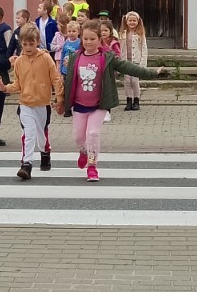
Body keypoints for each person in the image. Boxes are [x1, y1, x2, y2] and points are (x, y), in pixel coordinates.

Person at [57, 20, 164, 183]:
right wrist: (61, 101)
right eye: (85, 39)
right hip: (79, 105)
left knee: (93, 134)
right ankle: (83, 151)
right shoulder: (74, 58)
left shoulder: (107, 58)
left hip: (99, 105)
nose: (88, 42)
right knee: (79, 137)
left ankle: (92, 166)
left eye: (92, 39)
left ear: (100, 39)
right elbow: (68, 81)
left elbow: (129, 68)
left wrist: (153, 73)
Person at [0, 23, 61, 180]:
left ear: (38, 42)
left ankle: (45, 151)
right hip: (25, 104)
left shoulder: (46, 59)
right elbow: (17, 85)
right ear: (20, 43)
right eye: (25, 44)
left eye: (31, 43)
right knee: (29, 133)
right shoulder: (19, 62)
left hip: (42, 103)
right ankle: (26, 164)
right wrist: (4, 87)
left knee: (41, 135)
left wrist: (60, 98)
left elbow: (55, 79)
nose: (28, 47)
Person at [120, 11, 147, 110]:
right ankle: (128, 100)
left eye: (134, 21)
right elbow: (120, 48)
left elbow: (144, 48)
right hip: (126, 61)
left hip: (136, 61)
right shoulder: (122, 34)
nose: (132, 22)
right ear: (126, 21)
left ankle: (136, 101)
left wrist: (143, 63)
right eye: (130, 20)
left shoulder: (140, 34)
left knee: (135, 81)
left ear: (138, 21)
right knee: (127, 81)